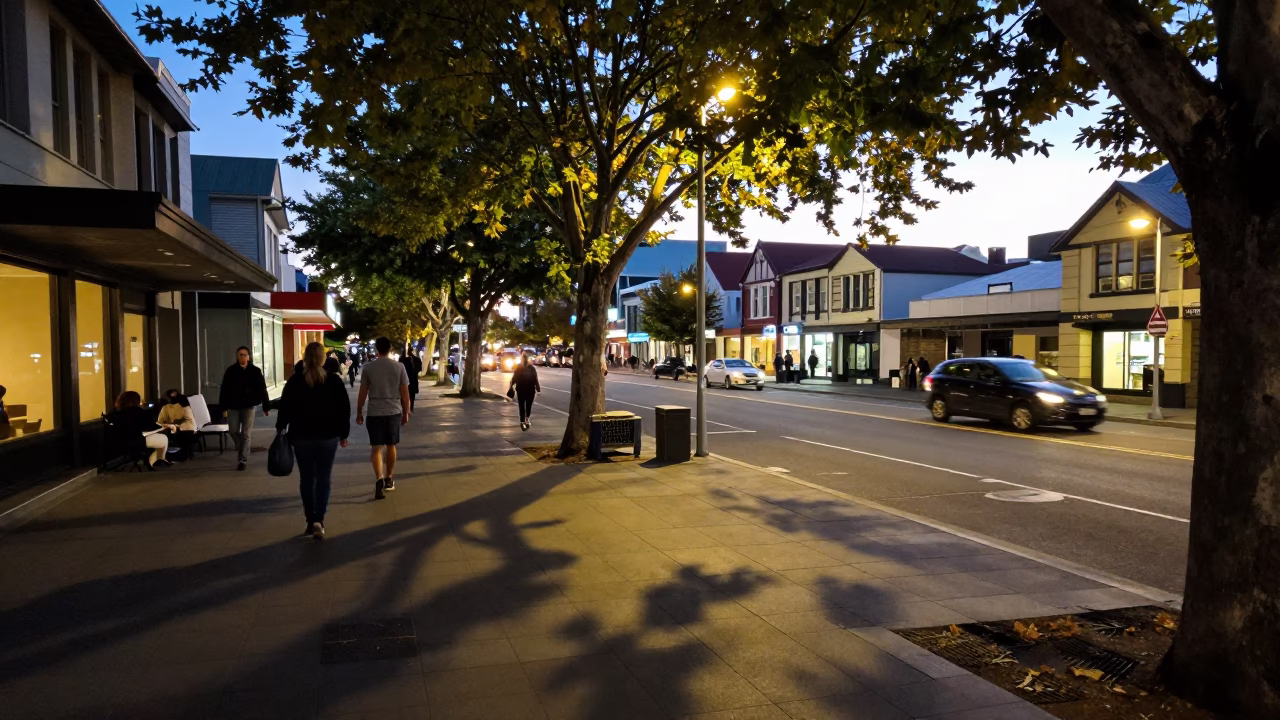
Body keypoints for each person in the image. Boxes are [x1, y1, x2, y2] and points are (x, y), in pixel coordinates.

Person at [276, 342, 350, 539]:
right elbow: (344, 409)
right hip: (328, 436)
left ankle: (310, 520)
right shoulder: (333, 381)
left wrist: (281, 428)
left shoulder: (295, 381)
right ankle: (320, 518)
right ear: (323, 358)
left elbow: (285, 408)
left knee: (307, 478)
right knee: (324, 477)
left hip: (301, 437)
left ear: (305, 357)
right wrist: (344, 434)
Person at [356, 337, 411, 499]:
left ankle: (379, 478)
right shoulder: (399, 367)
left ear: (376, 349)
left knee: (376, 447)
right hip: (393, 411)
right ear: (390, 348)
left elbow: (363, 392)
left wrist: (359, 411)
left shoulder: (368, 368)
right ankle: (389, 478)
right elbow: (405, 392)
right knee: (391, 445)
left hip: (374, 411)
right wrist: (406, 411)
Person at [218, 346, 269, 471]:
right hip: (233, 406)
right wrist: (223, 407)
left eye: (244, 355)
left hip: (249, 406)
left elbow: (262, 389)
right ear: (237, 356)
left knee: (246, 434)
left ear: (249, 357)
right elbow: (224, 389)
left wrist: (266, 406)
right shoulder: (231, 371)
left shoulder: (255, 371)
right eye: (240, 355)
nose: (242, 357)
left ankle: (243, 460)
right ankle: (243, 447)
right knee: (233, 431)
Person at [112, 391, 171, 468]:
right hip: (138, 440)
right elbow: (150, 427)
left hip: (119, 443)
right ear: (136, 401)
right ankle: (157, 460)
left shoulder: (116, 413)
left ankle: (155, 460)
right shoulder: (140, 412)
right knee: (163, 438)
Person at [157, 389, 197, 461]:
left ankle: (185, 454)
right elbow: (161, 421)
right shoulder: (166, 407)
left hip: (186, 428)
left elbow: (188, 419)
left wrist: (174, 423)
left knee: (184, 434)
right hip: (172, 428)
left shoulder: (184, 404)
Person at [508, 352, 541, 431]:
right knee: (528, 405)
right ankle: (527, 419)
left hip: (521, 389)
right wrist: (538, 388)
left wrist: (511, 386)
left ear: (522, 359)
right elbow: (535, 379)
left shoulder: (519, 367)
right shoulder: (531, 368)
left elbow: (514, 378)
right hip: (530, 389)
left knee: (521, 405)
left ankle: (522, 420)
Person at [399, 345, 422, 411]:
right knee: (412, 395)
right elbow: (419, 369)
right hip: (413, 380)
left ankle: (406, 408)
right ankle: (410, 408)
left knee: (404, 395)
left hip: (406, 380)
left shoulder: (403, 360)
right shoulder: (417, 359)